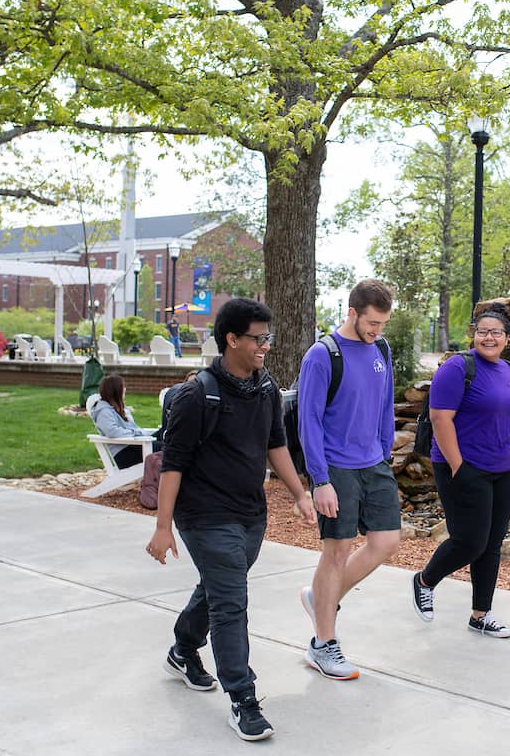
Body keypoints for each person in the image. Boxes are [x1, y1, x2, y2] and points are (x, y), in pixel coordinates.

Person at [145, 298, 316, 742]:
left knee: (219, 589)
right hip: (204, 514)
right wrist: (163, 526)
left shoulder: (265, 388)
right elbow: (173, 465)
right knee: (230, 603)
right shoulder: (196, 395)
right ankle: (243, 698)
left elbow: (275, 444)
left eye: (268, 338)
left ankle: (183, 650)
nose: (265, 346)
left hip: (249, 514)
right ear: (231, 339)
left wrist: (300, 494)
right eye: (258, 339)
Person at [297, 279, 399, 680]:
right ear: (352, 312)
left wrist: (385, 450)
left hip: (374, 462)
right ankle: (323, 644)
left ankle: (320, 597)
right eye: (372, 323)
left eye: (383, 324)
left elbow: (385, 404)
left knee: (386, 542)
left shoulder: (382, 349)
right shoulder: (322, 355)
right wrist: (319, 479)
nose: (377, 331)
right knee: (337, 550)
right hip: (335, 467)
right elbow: (308, 422)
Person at [410, 303, 510, 638]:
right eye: (483, 331)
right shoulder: (457, 367)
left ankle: (480, 615)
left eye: (496, 332)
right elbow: (440, 418)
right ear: (473, 334)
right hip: (464, 468)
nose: (489, 337)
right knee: (470, 542)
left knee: (492, 544)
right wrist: (459, 466)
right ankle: (424, 581)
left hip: (505, 470)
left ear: (507, 338)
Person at [89, 373, 147, 469]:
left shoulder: (118, 408)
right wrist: (134, 433)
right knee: (167, 449)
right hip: (125, 453)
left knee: (165, 435)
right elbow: (112, 431)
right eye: (122, 387)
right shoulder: (104, 411)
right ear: (116, 391)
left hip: (135, 446)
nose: (125, 389)